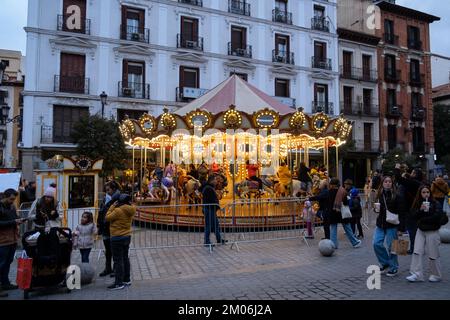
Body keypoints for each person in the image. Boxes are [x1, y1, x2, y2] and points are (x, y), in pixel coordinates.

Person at [406, 186, 447, 282]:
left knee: (433, 253)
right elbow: (413, 216)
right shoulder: (418, 203)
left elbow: (437, 216)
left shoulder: (435, 203)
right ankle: (416, 273)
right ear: (420, 194)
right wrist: (420, 210)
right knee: (417, 251)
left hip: (432, 231)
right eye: (423, 192)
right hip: (421, 230)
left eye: (427, 192)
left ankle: (435, 275)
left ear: (430, 193)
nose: (426, 194)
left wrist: (424, 218)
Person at [372, 175, 406, 277]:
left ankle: (394, 267)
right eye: (385, 182)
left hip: (392, 224)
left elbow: (402, 212)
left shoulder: (397, 195)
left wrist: (401, 229)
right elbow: (377, 209)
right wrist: (375, 209)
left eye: (389, 182)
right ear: (382, 183)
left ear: (392, 184)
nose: (388, 183)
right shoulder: (380, 194)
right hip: (380, 224)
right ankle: (385, 263)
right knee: (376, 243)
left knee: (393, 246)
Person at [106, 194, 136, 290]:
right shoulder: (132, 209)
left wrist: (112, 206)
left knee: (118, 260)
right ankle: (126, 279)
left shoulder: (118, 210)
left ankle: (118, 283)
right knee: (125, 258)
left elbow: (107, 217)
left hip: (117, 237)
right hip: (126, 236)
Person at [0, 189, 25, 297]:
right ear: (4, 197)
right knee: (1, 264)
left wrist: (20, 219)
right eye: (11, 199)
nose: (12, 201)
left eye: (14, 199)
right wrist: (13, 222)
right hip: (2, 241)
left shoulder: (12, 206)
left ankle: (5, 283)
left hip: (12, 239)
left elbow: (14, 218)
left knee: (8, 262)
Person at [394, 163, 423, 254]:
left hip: (408, 210)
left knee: (410, 230)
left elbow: (399, 178)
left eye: (413, 173)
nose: (411, 174)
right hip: (410, 209)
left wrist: (397, 168)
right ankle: (413, 248)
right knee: (410, 230)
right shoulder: (417, 183)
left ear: (416, 175)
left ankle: (411, 249)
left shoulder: (413, 183)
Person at [328, 179, 362, 249]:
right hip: (342, 212)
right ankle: (355, 242)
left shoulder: (329, 192)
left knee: (333, 229)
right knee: (348, 228)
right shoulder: (343, 191)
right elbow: (346, 203)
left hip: (333, 212)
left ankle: (333, 245)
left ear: (331, 184)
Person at [97, 181, 121, 277]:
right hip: (105, 226)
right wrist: (99, 224)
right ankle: (108, 268)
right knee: (107, 250)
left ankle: (115, 269)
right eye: (106, 190)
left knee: (114, 249)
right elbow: (101, 211)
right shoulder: (106, 198)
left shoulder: (118, 199)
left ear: (114, 189)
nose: (107, 192)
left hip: (113, 227)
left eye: (108, 190)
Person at [201, 175, 225, 246]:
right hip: (209, 209)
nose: (216, 181)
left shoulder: (210, 188)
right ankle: (206, 241)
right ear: (211, 180)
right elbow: (211, 199)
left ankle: (219, 239)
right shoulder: (208, 188)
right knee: (209, 225)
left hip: (211, 209)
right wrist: (217, 203)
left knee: (216, 225)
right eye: (215, 179)